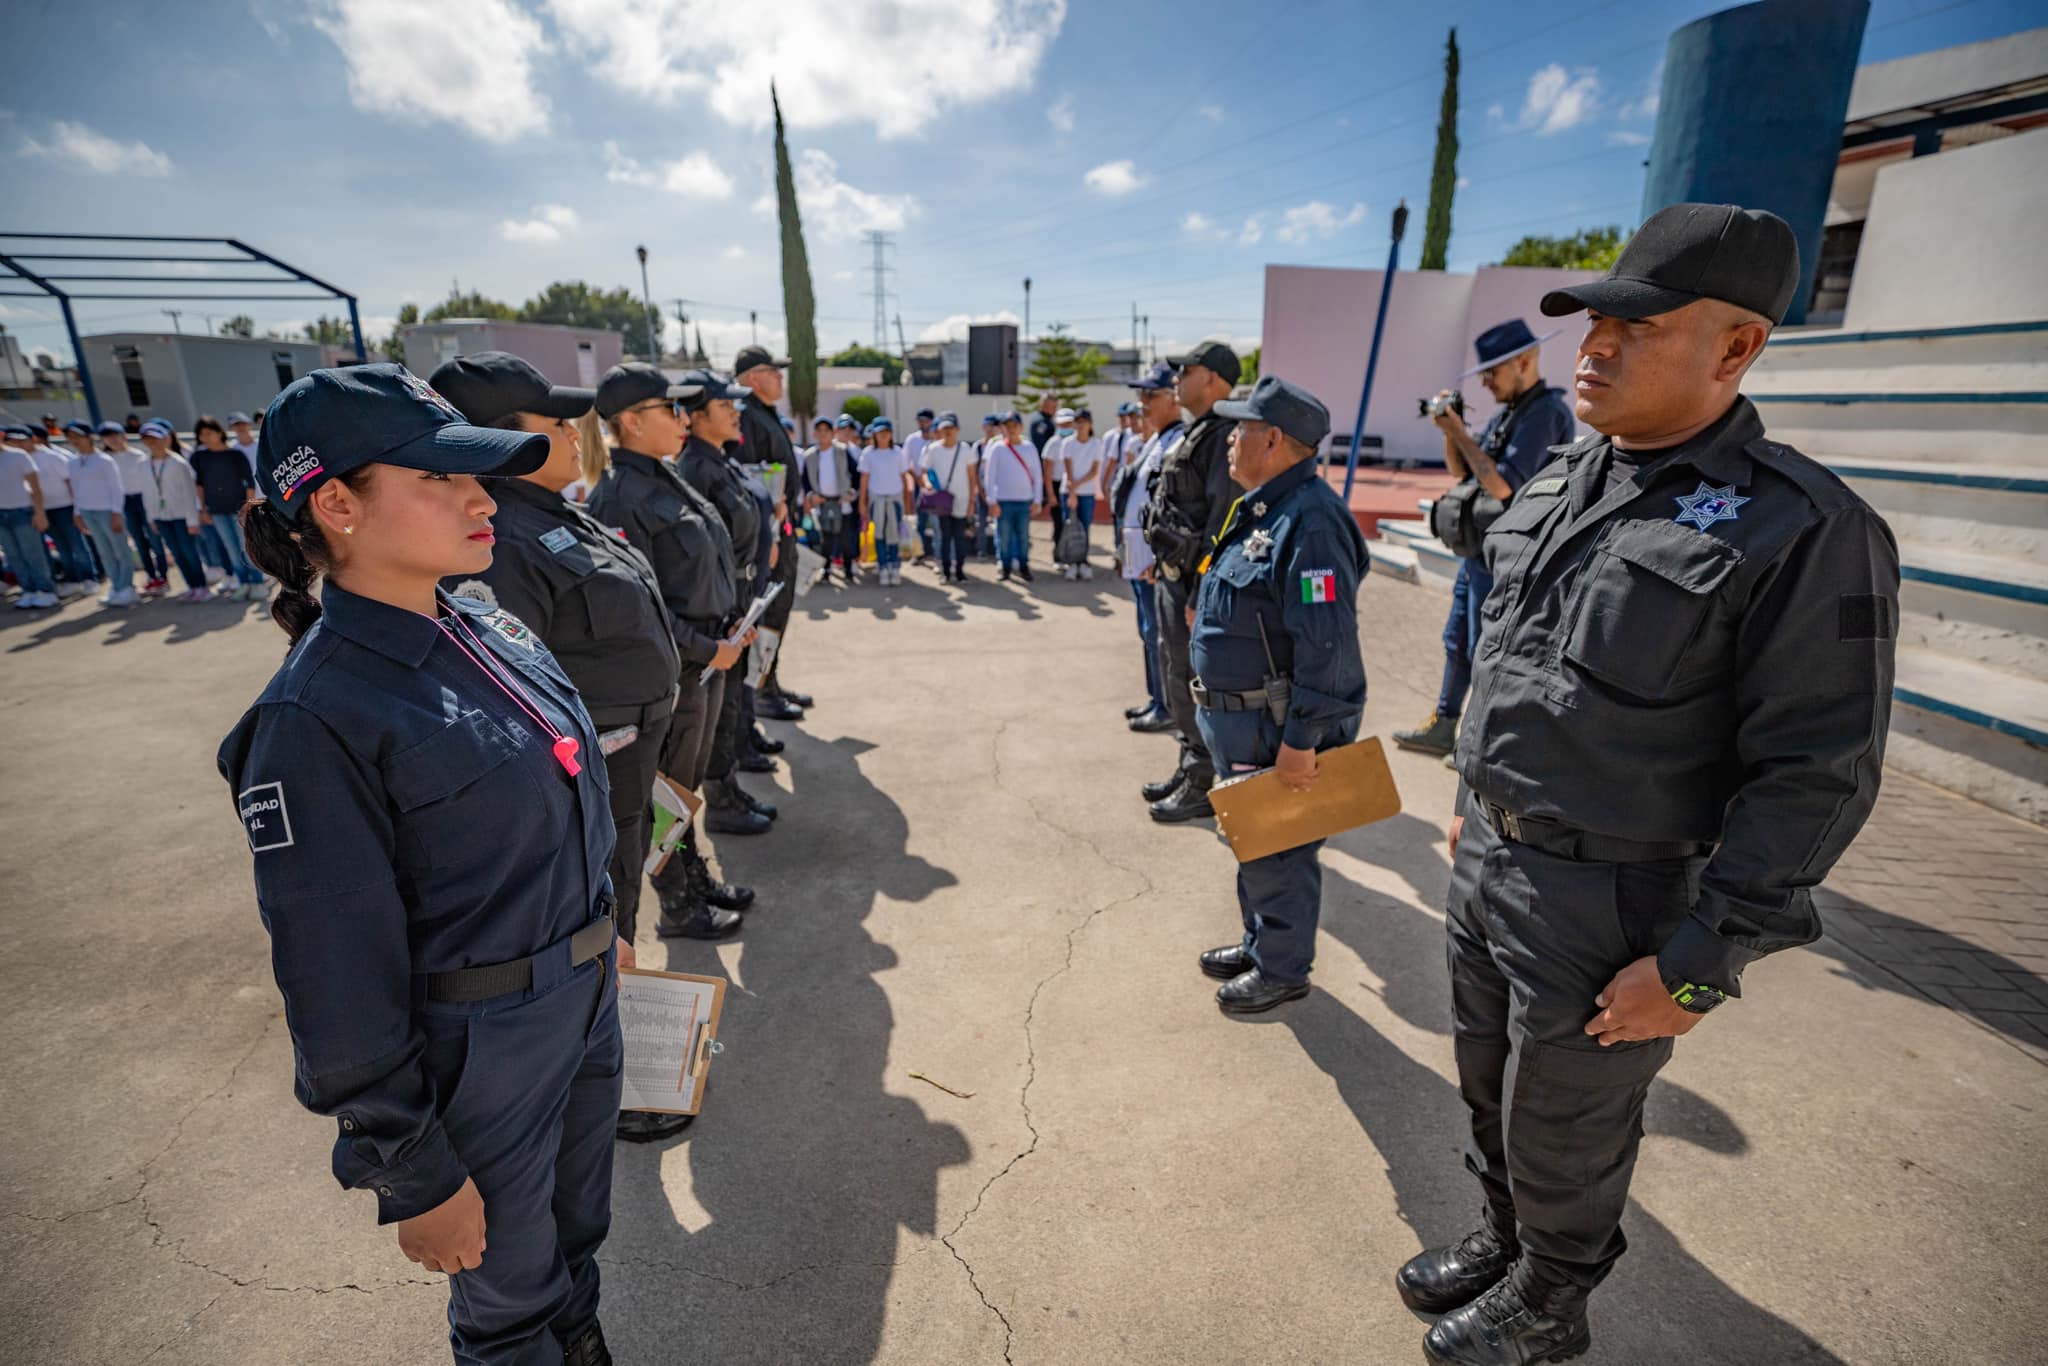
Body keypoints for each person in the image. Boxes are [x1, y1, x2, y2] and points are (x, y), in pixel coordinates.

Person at [1410, 205, 1901, 1366]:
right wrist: (1474, 799)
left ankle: (1553, 1294)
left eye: (1637, 327)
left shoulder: (1806, 528)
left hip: (1613, 897)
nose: (1596, 348)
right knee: (1487, 1087)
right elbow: (1513, 654)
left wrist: (1698, 965)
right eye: (1594, 322)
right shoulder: (1564, 476)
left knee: (1566, 1121)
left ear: (1734, 350)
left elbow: (1816, 775)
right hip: (1491, 860)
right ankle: (1504, 1235)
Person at [218, 363, 624, 1366]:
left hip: (577, 1002)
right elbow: (333, 976)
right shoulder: (315, 717)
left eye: (475, 476)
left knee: (572, 1252)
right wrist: (411, 1168)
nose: (481, 498)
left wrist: (601, 941)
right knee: (507, 1306)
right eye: (439, 478)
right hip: (482, 1048)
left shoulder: (483, 623)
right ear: (337, 504)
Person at [1187, 377, 1367, 1014]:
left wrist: (1302, 742)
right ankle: (1261, 940)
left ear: (1272, 440)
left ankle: (1283, 967)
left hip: (1274, 726)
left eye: (1240, 430)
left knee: (1280, 850)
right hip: (1238, 721)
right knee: (1252, 839)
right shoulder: (1266, 507)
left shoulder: (1311, 523)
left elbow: (1327, 647)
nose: (1230, 439)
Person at [585, 363, 766, 869]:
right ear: (632, 421)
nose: (680, 417)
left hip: (708, 659)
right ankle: (681, 896)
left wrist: (730, 623)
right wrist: (710, 648)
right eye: (668, 407)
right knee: (667, 794)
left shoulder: (664, 475)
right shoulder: (619, 496)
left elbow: (705, 567)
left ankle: (692, 875)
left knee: (684, 787)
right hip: (682, 668)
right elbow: (642, 605)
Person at [1393, 319, 1576, 762]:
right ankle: (1444, 723)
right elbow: (1462, 472)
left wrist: (1459, 432)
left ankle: (1482, 740)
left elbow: (1502, 486)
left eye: (1493, 373)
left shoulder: (1545, 413)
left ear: (1525, 362)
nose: (1488, 383)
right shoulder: (1511, 411)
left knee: (1488, 649)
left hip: (1510, 558)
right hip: (1480, 551)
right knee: (1458, 640)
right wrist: (1448, 433)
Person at [669, 369, 782, 833]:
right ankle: (717, 801)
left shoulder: (721, 459)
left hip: (740, 600)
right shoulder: (694, 468)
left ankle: (726, 788)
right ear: (694, 418)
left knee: (731, 704)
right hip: (719, 605)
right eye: (724, 406)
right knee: (713, 717)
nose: (736, 413)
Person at [1141, 339, 1241, 823]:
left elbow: (1222, 523)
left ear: (1215, 379)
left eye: (1188, 369)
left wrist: (1202, 591)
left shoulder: (1224, 437)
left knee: (1190, 679)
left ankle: (1203, 779)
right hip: (1171, 575)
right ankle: (1189, 764)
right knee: (1173, 673)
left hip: (1192, 587)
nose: (1177, 377)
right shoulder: (1195, 432)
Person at [731, 344, 814, 721]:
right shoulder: (746, 416)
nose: (781, 377)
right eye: (772, 371)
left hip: (782, 528)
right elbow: (753, 481)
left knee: (778, 613)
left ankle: (769, 680)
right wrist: (772, 539)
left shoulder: (764, 414)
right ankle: (759, 692)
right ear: (751, 378)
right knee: (767, 614)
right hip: (770, 536)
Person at [1118, 374, 1179, 733]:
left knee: (1159, 634)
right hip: (1136, 550)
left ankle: (1167, 705)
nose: (1142, 402)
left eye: (1150, 394)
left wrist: (1163, 555)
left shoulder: (1178, 441)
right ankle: (1156, 698)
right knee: (1147, 631)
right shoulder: (1155, 440)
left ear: (1172, 397)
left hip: (1153, 556)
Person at [191, 415, 267, 600]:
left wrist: (248, 507)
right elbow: (199, 484)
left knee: (246, 547)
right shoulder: (200, 457)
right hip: (216, 510)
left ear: (219, 432)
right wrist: (203, 509)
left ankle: (257, 583)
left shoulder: (235, 454)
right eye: (202, 435)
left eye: (209, 433)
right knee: (231, 549)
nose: (206, 437)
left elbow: (249, 483)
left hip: (239, 509)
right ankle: (243, 583)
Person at [11, 422, 93, 593]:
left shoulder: (52, 457)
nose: (18, 444)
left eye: (22, 440)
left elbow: (70, 481)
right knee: (61, 547)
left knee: (77, 545)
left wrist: (77, 508)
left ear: (34, 439)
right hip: (44, 510)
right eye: (14, 441)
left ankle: (89, 577)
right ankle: (72, 580)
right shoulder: (20, 459)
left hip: (66, 507)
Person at [63, 421, 137, 606]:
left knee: (120, 549)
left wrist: (116, 513)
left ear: (89, 437)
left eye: (78, 437)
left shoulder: (105, 460)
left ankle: (127, 587)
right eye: (71, 438)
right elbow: (77, 490)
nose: (74, 441)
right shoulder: (72, 462)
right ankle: (116, 587)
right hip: (88, 512)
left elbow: (116, 488)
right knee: (104, 551)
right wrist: (77, 512)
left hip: (107, 510)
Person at [136, 420, 211, 601]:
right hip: (162, 518)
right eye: (148, 438)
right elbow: (147, 494)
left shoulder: (178, 463)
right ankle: (191, 587)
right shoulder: (143, 464)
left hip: (182, 517)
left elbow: (188, 493)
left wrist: (192, 521)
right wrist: (151, 517)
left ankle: (202, 587)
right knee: (177, 554)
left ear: (165, 439)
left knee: (189, 552)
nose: (152, 442)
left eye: (155, 438)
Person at [981, 410, 1042, 582]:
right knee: (1004, 535)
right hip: (1003, 501)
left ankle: (1024, 565)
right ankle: (1004, 566)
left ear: (1020, 427)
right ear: (1002, 429)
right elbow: (989, 476)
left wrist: (1037, 499)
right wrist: (991, 501)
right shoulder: (997, 448)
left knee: (1023, 536)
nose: (1011, 429)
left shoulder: (1029, 447)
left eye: (1014, 425)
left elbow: (1037, 475)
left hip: (1024, 500)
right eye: (1007, 426)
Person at [0, 427, 56, 609]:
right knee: (14, 556)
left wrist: (40, 513)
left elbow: (35, 487)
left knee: (33, 553)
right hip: (1, 514)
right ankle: (28, 590)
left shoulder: (19, 456)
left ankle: (45, 590)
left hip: (23, 511)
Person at [857, 417, 914, 586]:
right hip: (877, 500)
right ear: (874, 434)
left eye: (886, 432)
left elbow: (904, 478)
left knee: (894, 534)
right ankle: (883, 567)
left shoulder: (898, 453)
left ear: (891, 434)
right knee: (879, 534)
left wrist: (907, 501)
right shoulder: (868, 454)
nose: (883, 436)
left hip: (894, 499)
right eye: (880, 433)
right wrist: (863, 502)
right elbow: (864, 480)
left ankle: (894, 567)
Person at [921, 412, 977, 583]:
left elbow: (971, 476)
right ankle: (945, 571)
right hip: (942, 501)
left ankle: (959, 570)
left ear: (957, 429)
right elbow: (924, 471)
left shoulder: (966, 449)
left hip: (961, 498)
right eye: (944, 428)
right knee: (944, 536)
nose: (948, 432)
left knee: (959, 537)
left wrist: (971, 502)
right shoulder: (933, 449)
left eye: (951, 428)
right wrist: (928, 484)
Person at [1058, 408, 1104, 580]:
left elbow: (1094, 471)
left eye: (1083, 421)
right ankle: (1071, 563)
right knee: (1069, 527)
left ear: (1090, 424)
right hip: (1069, 492)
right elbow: (1068, 471)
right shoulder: (1067, 443)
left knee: (1084, 528)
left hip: (1086, 493)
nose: (1080, 425)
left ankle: (1083, 561)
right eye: (1077, 422)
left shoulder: (1096, 444)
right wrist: (1072, 492)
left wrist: (1077, 486)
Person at [904, 406, 936, 566]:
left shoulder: (938, 438)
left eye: (926, 420)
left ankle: (938, 555)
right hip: (919, 485)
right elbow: (906, 462)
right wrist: (917, 480)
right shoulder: (912, 439)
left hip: (937, 487)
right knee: (920, 522)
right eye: (920, 420)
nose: (923, 423)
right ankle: (919, 553)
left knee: (937, 521)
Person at [1041, 406, 1072, 552]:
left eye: (1068, 423)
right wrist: (1051, 495)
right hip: (1056, 485)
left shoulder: (1077, 442)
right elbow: (1047, 473)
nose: (1065, 427)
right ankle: (1058, 555)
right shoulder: (1052, 443)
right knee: (1059, 523)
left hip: (1074, 485)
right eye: (1062, 424)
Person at [227, 410, 261, 481]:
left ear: (249, 425)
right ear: (231, 428)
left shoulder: (261, 444)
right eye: (237, 425)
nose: (241, 427)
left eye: (243, 424)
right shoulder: (231, 448)